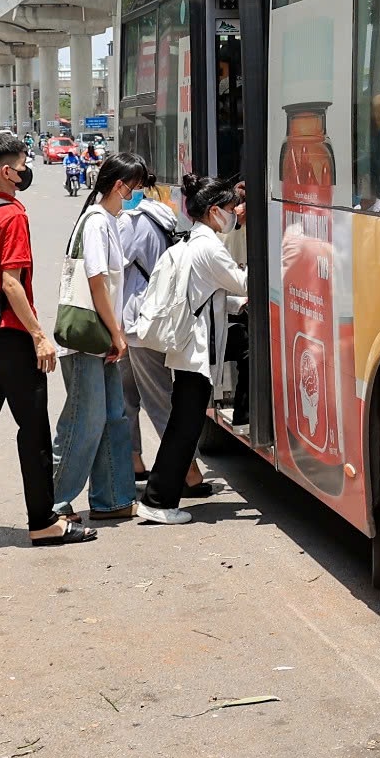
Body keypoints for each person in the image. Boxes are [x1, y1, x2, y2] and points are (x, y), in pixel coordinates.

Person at [0, 131, 99, 550]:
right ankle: (43, 522)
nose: (27, 168)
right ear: (8, 171)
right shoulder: (11, 215)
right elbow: (12, 283)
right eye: (23, 162)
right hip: (13, 336)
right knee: (32, 431)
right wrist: (39, 336)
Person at [134, 174, 250, 525]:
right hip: (194, 351)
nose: (234, 216)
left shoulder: (194, 242)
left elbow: (207, 295)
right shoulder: (210, 247)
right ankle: (157, 500)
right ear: (214, 211)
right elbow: (245, 282)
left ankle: (161, 495)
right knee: (183, 428)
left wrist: (235, 306)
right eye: (231, 209)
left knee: (182, 425)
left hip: (187, 348)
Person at [51, 155, 142, 522]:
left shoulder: (106, 221)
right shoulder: (96, 223)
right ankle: (52, 503)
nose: (135, 194)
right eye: (133, 188)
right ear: (119, 186)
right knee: (83, 422)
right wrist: (116, 334)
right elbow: (96, 280)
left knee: (112, 417)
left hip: (100, 338)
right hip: (90, 338)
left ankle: (114, 497)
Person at [117, 177, 210, 497]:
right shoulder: (166, 219)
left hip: (138, 321)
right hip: (149, 319)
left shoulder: (134, 222)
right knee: (126, 395)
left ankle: (190, 472)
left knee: (158, 400)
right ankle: (134, 461)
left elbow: (115, 268)